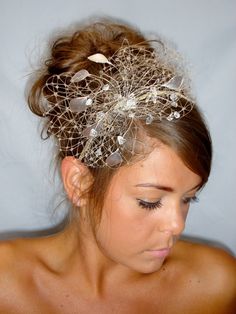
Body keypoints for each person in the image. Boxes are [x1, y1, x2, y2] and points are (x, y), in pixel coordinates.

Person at [0, 20, 235, 313]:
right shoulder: (6, 287)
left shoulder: (215, 285)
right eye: (149, 202)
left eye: (188, 198)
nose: (177, 225)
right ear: (79, 183)